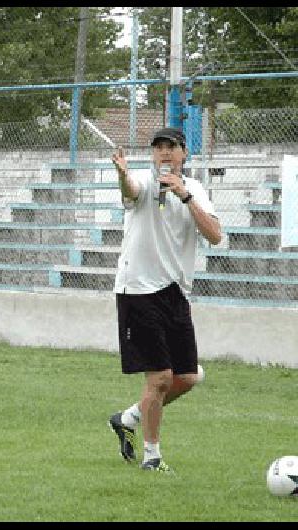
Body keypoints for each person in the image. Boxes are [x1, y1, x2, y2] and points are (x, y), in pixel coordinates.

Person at [107, 128, 222, 473]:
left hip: (175, 293)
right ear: (152, 155)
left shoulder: (196, 189)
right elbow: (131, 191)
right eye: (158, 148)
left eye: (170, 147)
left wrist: (185, 197)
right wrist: (122, 174)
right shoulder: (141, 181)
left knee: (188, 377)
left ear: (184, 153)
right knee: (159, 379)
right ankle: (152, 457)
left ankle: (127, 417)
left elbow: (216, 236)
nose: (164, 153)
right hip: (138, 291)